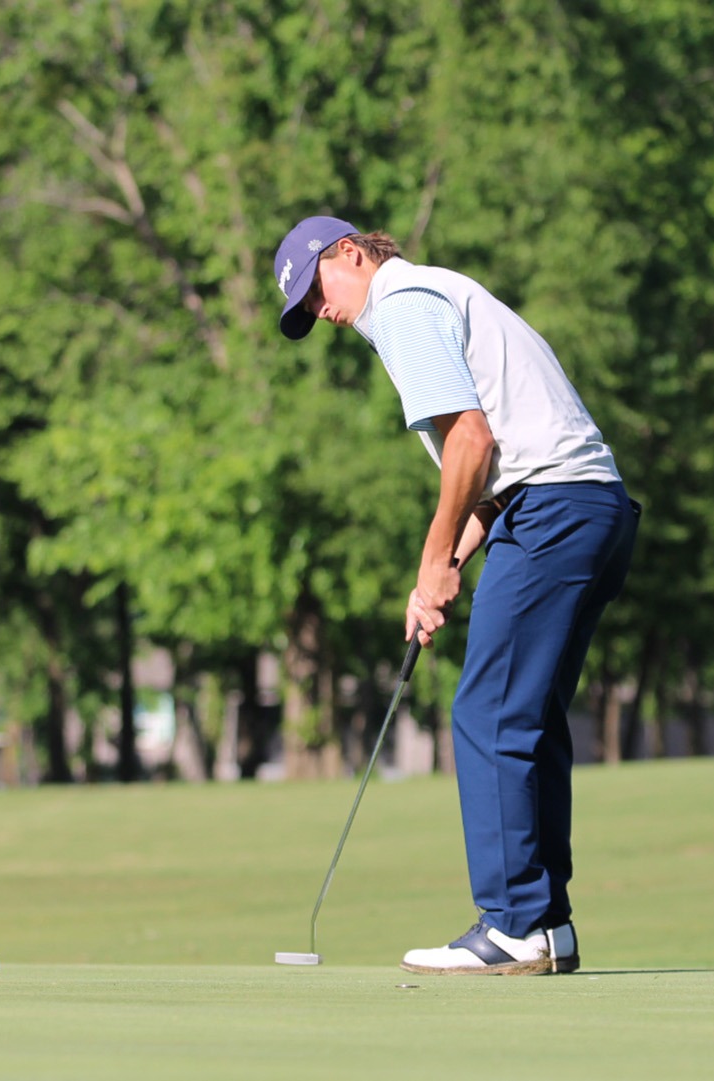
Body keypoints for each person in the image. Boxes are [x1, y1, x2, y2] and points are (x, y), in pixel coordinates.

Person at [272, 215, 639, 975]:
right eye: (306, 309)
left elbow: (470, 441)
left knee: (487, 710)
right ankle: (549, 923)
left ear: (350, 253)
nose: (320, 310)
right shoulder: (439, 294)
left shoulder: (400, 304)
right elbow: (490, 468)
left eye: (316, 289)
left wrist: (436, 556)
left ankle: (513, 925)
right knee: (530, 715)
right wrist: (440, 570)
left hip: (553, 507)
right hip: (591, 507)